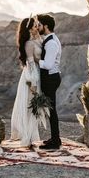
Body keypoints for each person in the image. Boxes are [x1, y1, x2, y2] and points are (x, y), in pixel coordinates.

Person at [11, 16, 46, 147]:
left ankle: (31, 136)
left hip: (37, 74)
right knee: (30, 106)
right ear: (30, 28)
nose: (38, 27)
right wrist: (33, 83)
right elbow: (31, 64)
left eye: (38, 25)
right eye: (35, 25)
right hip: (32, 77)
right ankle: (27, 137)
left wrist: (38, 37)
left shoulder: (36, 40)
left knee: (33, 107)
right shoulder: (29, 44)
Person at [37, 14, 62, 149]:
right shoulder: (50, 39)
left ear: (45, 26)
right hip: (52, 78)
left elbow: (48, 64)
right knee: (51, 109)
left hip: (51, 79)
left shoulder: (51, 43)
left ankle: (55, 141)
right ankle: (55, 138)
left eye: (39, 25)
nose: (38, 27)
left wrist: (36, 60)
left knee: (52, 110)